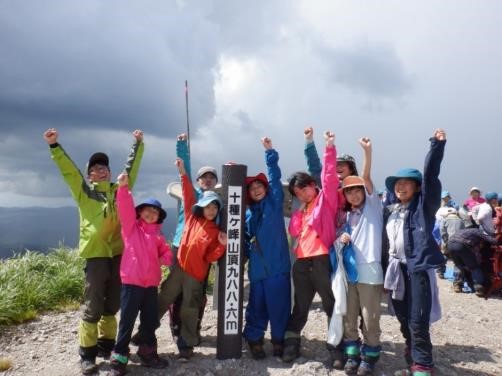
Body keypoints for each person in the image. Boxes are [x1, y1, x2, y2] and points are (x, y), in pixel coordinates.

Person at [43, 128, 144, 375]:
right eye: (96, 168)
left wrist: (138, 144)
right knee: (93, 305)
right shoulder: (84, 193)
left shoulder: (120, 190)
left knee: (112, 305)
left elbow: (132, 168)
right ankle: (87, 355)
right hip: (96, 255)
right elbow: (69, 171)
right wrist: (55, 146)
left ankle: (106, 346)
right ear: (89, 176)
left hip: (118, 254)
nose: (102, 170)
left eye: (104, 167)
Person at [132, 133, 218, 346]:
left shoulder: (217, 202)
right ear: (198, 181)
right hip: (180, 248)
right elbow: (185, 174)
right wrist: (181, 146)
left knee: (193, 295)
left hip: (201, 255)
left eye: (211, 177)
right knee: (172, 292)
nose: (207, 180)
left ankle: (189, 333)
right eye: (204, 177)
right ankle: (168, 330)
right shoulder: (192, 195)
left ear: (216, 182)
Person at [382, 129, 446, 376]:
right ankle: (412, 356)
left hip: (417, 271)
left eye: (406, 183)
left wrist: (436, 146)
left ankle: (423, 367)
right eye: (397, 183)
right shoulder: (391, 211)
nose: (400, 186)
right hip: (396, 271)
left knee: (418, 320)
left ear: (417, 188)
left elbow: (431, 177)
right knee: (402, 316)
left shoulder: (424, 207)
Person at [282, 130, 344, 368]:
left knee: (331, 303)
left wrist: (329, 147)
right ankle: (291, 342)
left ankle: (336, 347)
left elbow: (329, 177)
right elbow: (295, 234)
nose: (301, 194)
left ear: (312, 185)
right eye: (297, 193)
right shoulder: (301, 211)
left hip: (321, 259)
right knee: (300, 305)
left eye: (303, 189)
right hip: (301, 262)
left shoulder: (326, 200)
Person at [158, 158, 227, 360]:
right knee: (164, 298)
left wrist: (222, 245)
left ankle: (186, 344)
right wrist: (182, 171)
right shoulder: (191, 216)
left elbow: (211, 256)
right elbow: (188, 191)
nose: (212, 210)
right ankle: (145, 333)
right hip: (179, 267)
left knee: (190, 306)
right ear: (201, 206)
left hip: (196, 274)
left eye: (215, 207)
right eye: (208, 206)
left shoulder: (216, 231)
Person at [108, 173, 173, 376]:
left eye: (155, 212)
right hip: (131, 283)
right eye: (148, 210)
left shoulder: (158, 236)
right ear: (140, 212)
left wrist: (165, 258)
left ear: (159, 217)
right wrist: (123, 189)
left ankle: (147, 353)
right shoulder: (131, 229)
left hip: (151, 284)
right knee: (126, 321)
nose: (151, 214)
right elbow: (125, 209)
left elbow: (167, 254)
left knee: (149, 321)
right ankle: (119, 358)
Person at [337, 138, 383, 376]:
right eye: (349, 192)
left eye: (357, 191)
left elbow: (365, 178)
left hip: (371, 270)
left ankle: (370, 356)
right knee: (350, 315)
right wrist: (342, 238)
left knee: (370, 316)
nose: (354, 195)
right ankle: (352, 354)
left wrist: (367, 152)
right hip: (350, 271)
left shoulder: (373, 208)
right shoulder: (348, 218)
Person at [243, 137, 291, 359]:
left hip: (278, 266)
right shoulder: (248, 214)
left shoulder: (274, 203)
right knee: (257, 305)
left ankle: (279, 340)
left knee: (279, 305)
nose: (256, 189)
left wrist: (269, 152)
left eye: (259, 185)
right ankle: (255, 339)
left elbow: (275, 177)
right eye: (252, 188)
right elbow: (244, 238)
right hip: (257, 270)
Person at [446, 227, 498, 297]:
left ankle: (457, 285)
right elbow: (491, 240)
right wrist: (497, 240)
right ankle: (479, 288)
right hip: (462, 245)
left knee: (459, 265)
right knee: (474, 267)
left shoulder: (462, 231)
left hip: (450, 245)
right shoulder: (476, 231)